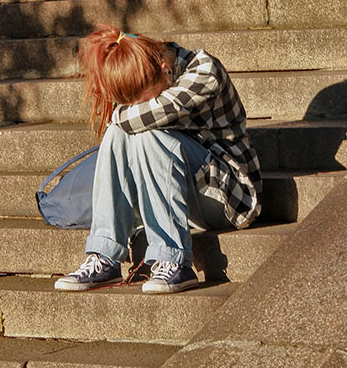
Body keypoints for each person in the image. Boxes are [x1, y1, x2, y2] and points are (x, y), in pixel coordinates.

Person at [54, 25, 262, 294]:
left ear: (166, 69)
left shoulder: (203, 71)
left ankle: (173, 261)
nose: (140, 107)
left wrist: (120, 116)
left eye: (147, 100)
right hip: (185, 195)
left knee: (144, 132)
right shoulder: (153, 73)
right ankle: (104, 254)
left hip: (230, 197)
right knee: (122, 134)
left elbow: (135, 118)